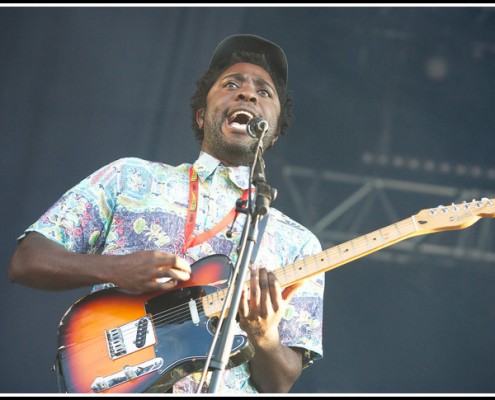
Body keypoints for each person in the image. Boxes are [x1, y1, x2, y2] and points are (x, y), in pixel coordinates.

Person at [8, 33, 325, 394]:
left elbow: (280, 382)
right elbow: (27, 259)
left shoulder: (299, 243)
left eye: (264, 92)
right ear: (202, 115)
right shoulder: (129, 177)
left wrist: (264, 335)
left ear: (274, 134)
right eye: (231, 84)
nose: (248, 93)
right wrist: (114, 268)